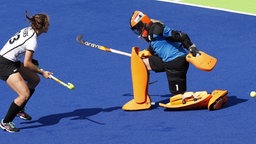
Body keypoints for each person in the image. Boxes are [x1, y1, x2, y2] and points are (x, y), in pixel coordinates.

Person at [0, 11, 52, 132]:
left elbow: (20, 50)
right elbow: (27, 63)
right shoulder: (33, 41)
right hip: (4, 64)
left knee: (34, 80)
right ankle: (6, 122)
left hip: (11, 60)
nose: (49, 25)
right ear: (43, 26)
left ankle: (19, 109)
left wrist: (35, 65)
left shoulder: (28, 29)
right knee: (24, 94)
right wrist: (43, 72)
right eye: (48, 24)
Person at [130, 10, 199, 95]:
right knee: (142, 64)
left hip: (176, 62)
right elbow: (156, 43)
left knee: (178, 93)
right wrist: (148, 52)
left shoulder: (157, 29)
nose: (139, 31)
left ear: (144, 23)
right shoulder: (151, 34)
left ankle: (196, 97)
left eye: (139, 27)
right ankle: (142, 99)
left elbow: (181, 36)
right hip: (166, 61)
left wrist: (191, 47)